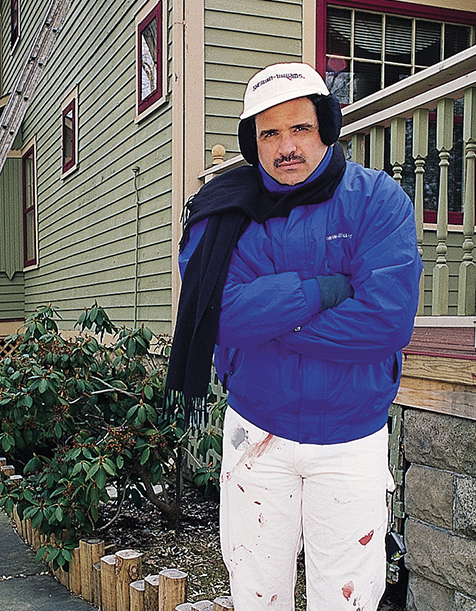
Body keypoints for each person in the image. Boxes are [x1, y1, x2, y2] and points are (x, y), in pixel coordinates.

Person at [165, 63, 422, 611]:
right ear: (252, 143)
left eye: (300, 127)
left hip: (351, 438)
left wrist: (271, 317)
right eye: (269, 133)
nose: (286, 147)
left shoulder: (376, 201)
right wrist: (323, 291)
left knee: (348, 599)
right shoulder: (221, 214)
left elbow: (386, 322)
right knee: (257, 595)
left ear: (326, 126)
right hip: (257, 432)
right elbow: (215, 314)